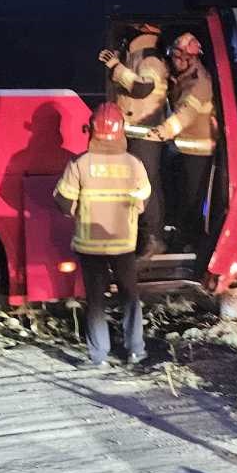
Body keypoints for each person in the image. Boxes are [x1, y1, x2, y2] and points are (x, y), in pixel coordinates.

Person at [56, 102, 153, 370]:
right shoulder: (134, 164)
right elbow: (143, 199)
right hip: (123, 244)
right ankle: (136, 351)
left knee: (96, 301)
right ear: (122, 131)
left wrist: (79, 211)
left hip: (91, 246)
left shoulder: (80, 163)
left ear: (92, 130)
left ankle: (98, 356)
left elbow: (64, 202)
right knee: (129, 296)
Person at [97, 24, 170, 254]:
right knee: (144, 185)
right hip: (138, 134)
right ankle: (147, 237)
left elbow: (142, 87)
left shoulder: (151, 59)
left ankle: (153, 239)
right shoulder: (138, 57)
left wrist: (116, 67)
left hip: (145, 135)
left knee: (146, 187)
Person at [142, 31, 217, 249]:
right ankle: (178, 235)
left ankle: (190, 242)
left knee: (193, 200)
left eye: (184, 57)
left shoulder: (199, 82)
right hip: (183, 149)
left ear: (193, 58)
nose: (178, 61)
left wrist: (162, 132)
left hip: (199, 153)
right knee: (179, 194)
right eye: (175, 56)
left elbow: (186, 113)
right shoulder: (181, 76)